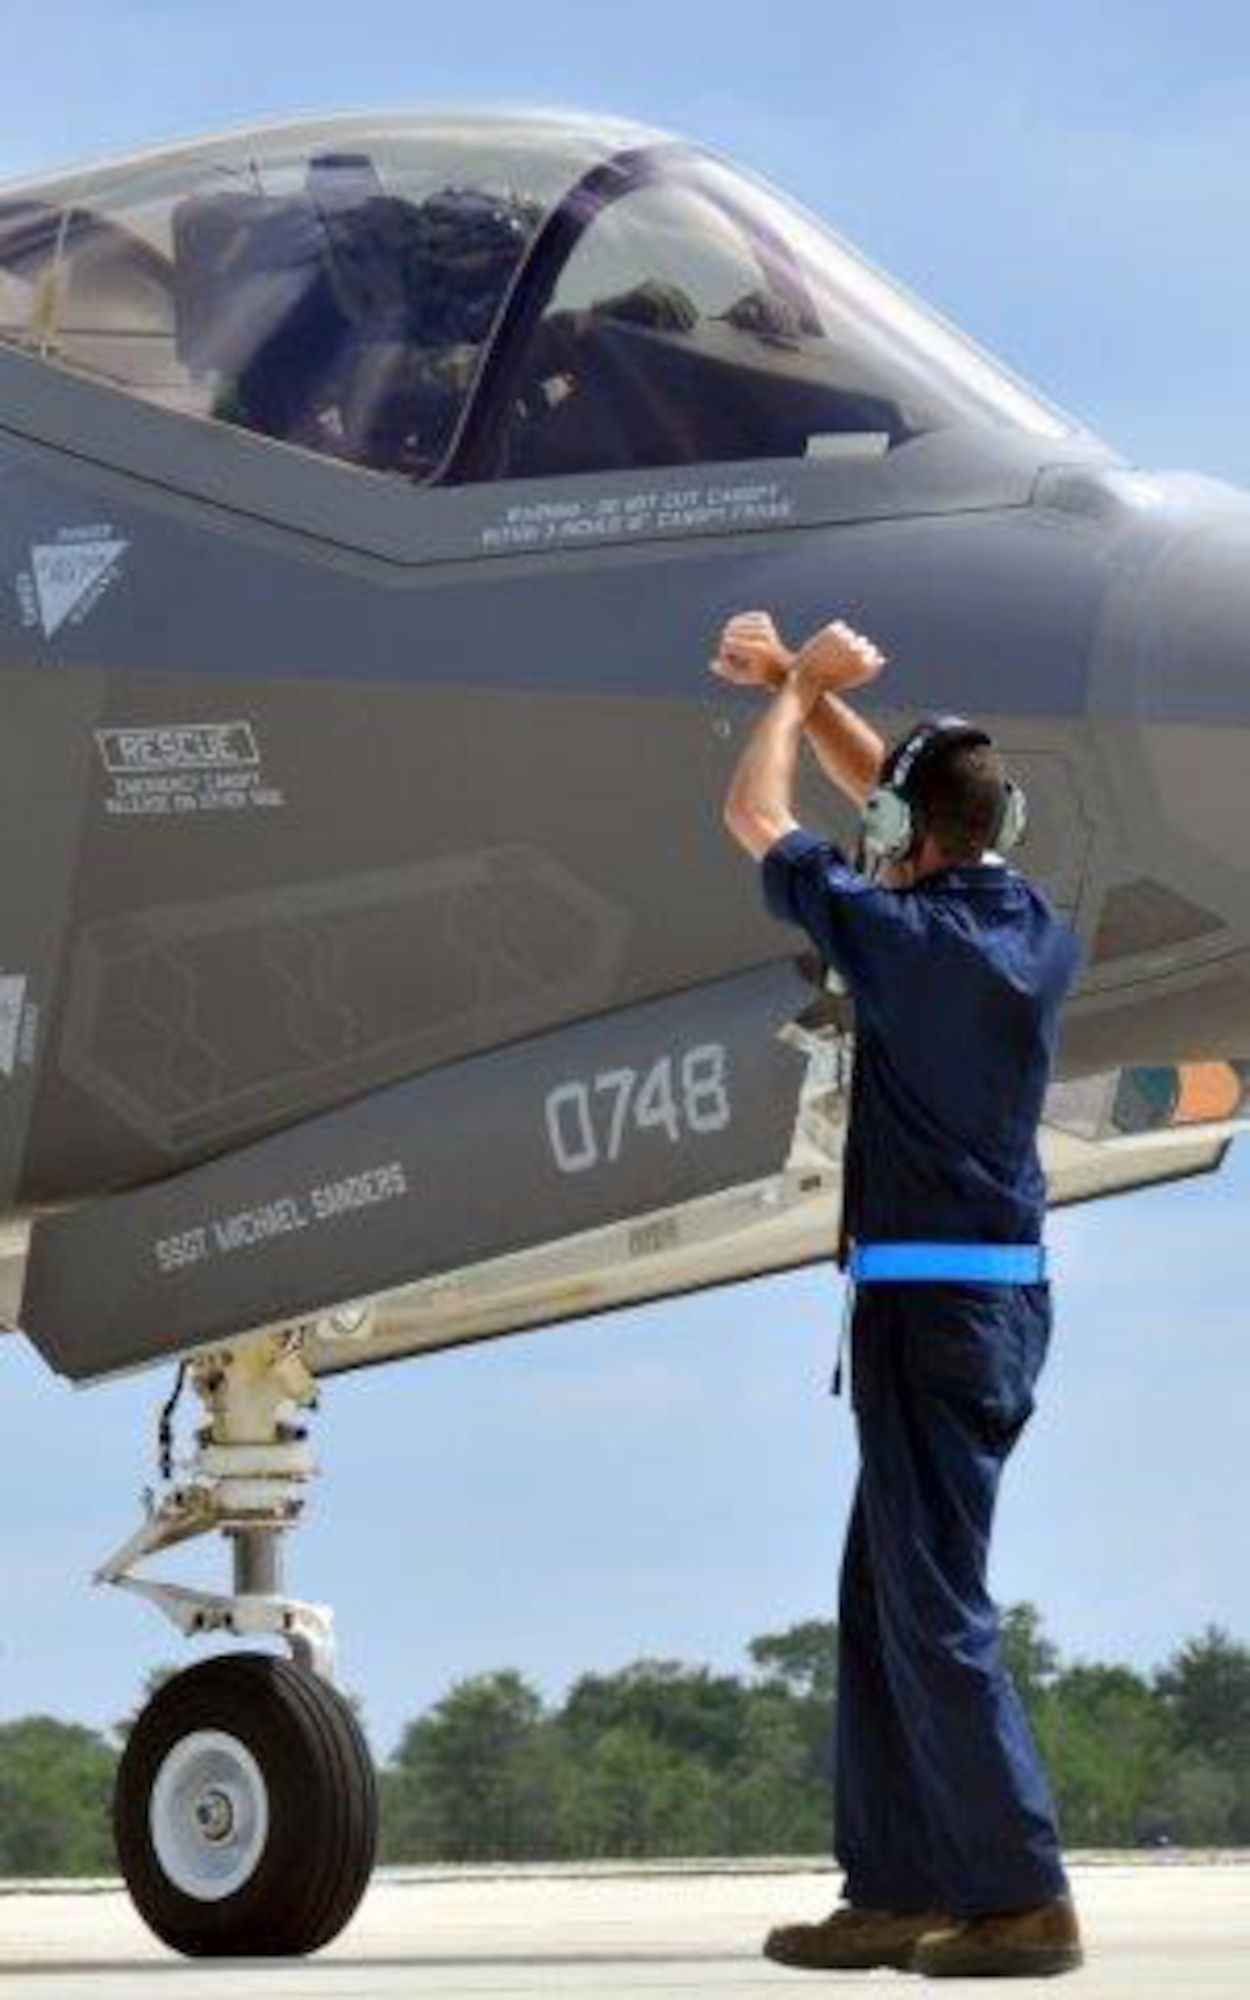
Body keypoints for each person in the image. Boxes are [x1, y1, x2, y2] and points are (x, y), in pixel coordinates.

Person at [715, 610, 1084, 1980]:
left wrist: (793, 693)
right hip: (986, 1312)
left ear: (907, 837)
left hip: (925, 1318)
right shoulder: (1027, 928)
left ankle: (1020, 1897)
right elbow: (907, 807)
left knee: (929, 1602)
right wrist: (808, 700)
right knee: (881, 1592)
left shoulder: (892, 937)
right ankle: (896, 1883)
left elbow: (750, 811)